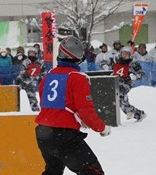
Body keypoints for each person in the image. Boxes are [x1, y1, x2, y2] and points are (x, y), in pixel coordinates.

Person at [35, 36, 111, 175]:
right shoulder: (77, 77)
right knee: (92, 171)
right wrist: (102, 127)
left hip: (43, 132)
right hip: (64, 135)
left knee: (53, 171)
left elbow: (45, 104)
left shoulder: (48, 76)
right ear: (78, 56)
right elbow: (85, 110)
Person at [112, 46, 147, 121]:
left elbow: (142, 73)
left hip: (127, 83)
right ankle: (139, 114)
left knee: (120, 94)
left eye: (126, 54)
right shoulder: (118, 60)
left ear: (130, 54)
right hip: (116, 82)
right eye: (122, 53)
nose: (124, 55)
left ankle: (129, 111)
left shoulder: (133, 63)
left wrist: (135, 76)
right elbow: (114, 67)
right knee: (120, 102)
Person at [16, 47, 46, 111]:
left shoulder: (40, 62)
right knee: (28, 96)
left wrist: (41, 77)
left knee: (43, 96)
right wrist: (23, 77)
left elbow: (44, 72)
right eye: (30, 53)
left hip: (38, 81)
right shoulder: (26, 62)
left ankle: (41, 109)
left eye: (33, 53)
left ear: (36, 54)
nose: (31, 55)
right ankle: (20, 109)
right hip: (27, 82)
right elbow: (22, 72)